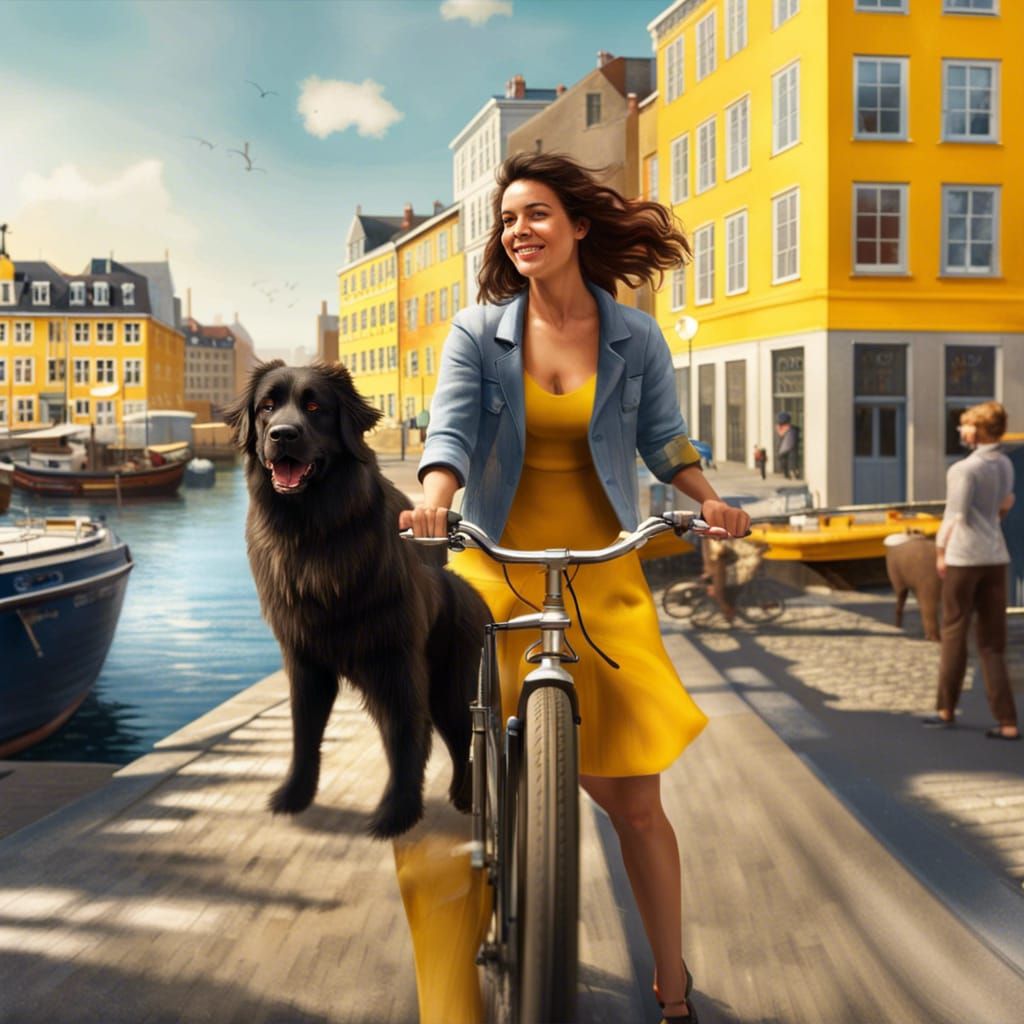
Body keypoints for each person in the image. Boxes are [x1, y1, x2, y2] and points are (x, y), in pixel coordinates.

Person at [399, 151, 750, 1024]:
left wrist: (709, 502)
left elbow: (665, 440)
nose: (519, 230)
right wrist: (435, 501)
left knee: (637, 805)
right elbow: (451, 429)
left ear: (580, 226)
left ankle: (672, 989)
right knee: (469, 768)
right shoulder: (480, 332)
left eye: (537, 214)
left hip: (606, 569)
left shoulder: (635, 336)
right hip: (498, 564)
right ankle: (475, 904)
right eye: (508, 219)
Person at [922, 401, 1018, 739]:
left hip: (964, 557)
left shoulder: (963, 470)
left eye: (965, 425)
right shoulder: (1005, 463)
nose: (961, 431)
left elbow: (955, 516)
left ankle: (945, 708)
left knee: (954, 632)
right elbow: (1007, 503)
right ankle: (1007, 721)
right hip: (996, 556)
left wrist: (939, 550)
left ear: (978, 430)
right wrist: (992, 524)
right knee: (993, 643)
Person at [774, 411, 798, 479]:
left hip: (788, 448)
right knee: (784, 462)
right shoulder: (785, 427)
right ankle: (788, 474)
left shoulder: (790, 428)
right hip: (783, 449)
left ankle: (792, 473)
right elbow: (781, 434)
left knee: (791, 461)